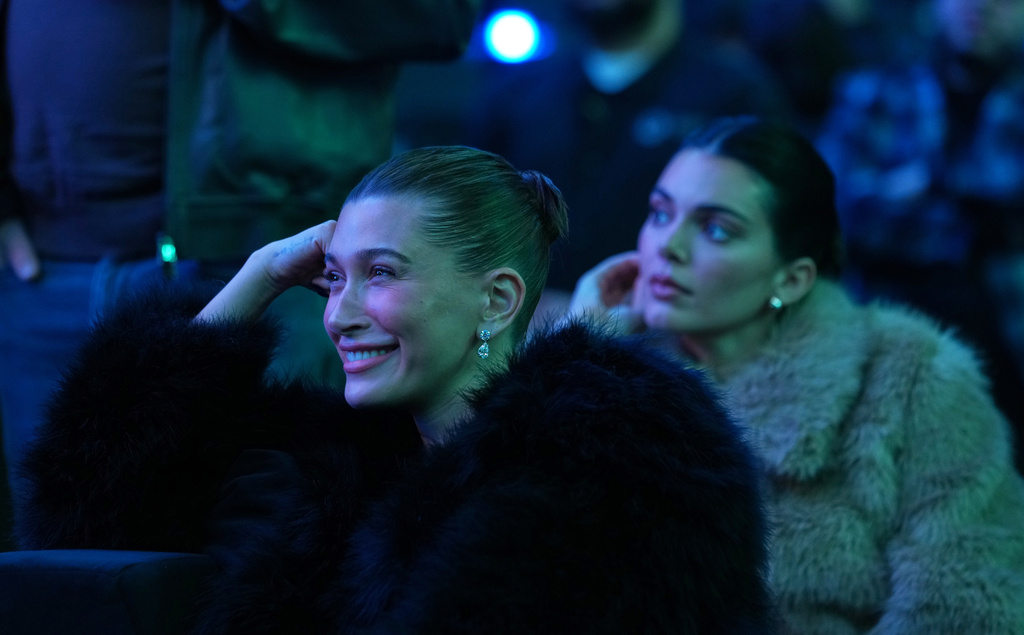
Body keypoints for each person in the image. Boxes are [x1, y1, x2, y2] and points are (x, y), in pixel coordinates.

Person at [13, 146, 773, 633]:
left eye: (381, 273)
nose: (339, 314)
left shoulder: (613, 464)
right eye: (333, 275)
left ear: (500, 300)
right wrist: (262, 272)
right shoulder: (332, 468)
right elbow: (87, 520)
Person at [0, 0, 482, 547]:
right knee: (61, 565)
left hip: (282, 255)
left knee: (277, 564)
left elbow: (440, 16)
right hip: (47, 263)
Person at [569, 117, 1024, 634]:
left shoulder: (913, 379)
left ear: (792, 276)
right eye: (659, 213)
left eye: (716, 229)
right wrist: (579, 355)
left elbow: (969, 603)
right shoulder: (609, 373)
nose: (668, 247)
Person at [463, 0, 791, 294]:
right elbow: (471, 225)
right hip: (522, 338)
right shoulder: (514, 95)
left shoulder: (737, 97)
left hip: (671, 342)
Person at [815, 0, 1024, 454]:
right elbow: (831, 214)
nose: (981, 6)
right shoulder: (874, 90)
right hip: (885, 319)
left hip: (1005, 330)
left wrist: (912, 198)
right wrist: (981, 218)